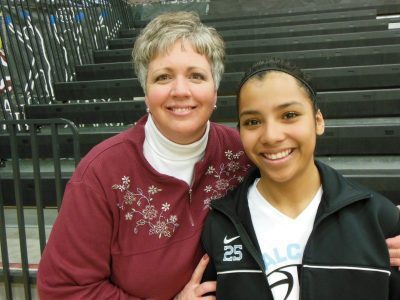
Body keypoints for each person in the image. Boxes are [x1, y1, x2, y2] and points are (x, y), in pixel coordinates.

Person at [37, 11, 400, 299]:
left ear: (214, 91)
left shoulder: (242, 149)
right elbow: (63, 290)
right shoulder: (103, 173)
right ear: (145, 91)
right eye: (163, 77)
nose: (181, 91)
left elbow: (302, 174)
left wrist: (377, 225)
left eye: (196, 76)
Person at [201, 57, 400, 299]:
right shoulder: (220, 224)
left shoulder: (378, 218)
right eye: (253, 122)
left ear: (318, 121)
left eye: (289, 115)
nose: (272, 136)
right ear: (240, 132)